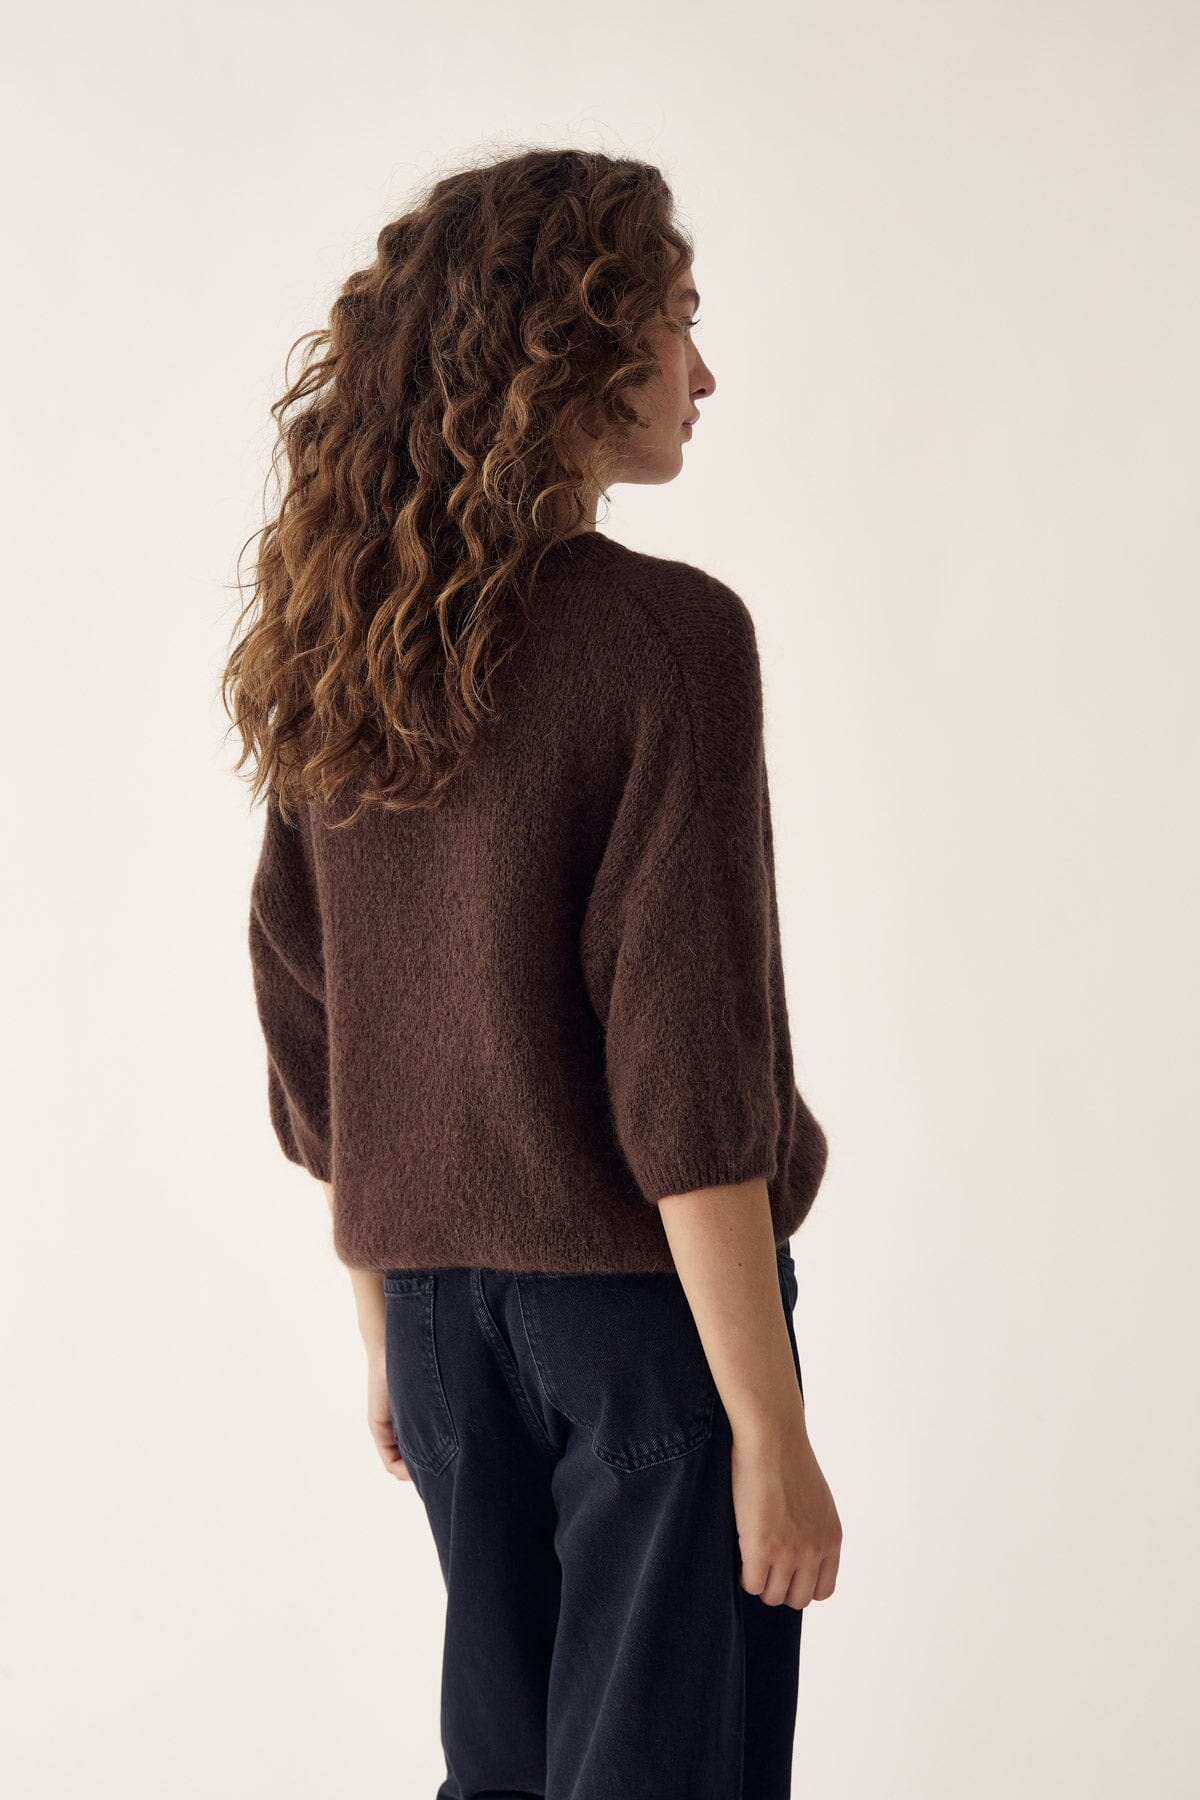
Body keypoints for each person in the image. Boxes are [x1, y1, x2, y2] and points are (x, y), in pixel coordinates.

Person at [223, 146, 842, 1800]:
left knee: (503, 1772)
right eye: (675, 324)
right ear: (572, 349)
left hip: (437, 1324)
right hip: (642, 1320)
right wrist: (769, 1428)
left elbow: (313, 1017)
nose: (703, 372)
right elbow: (688, 1073)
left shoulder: (347, 641)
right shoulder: (667, 639)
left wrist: (387, 1328)